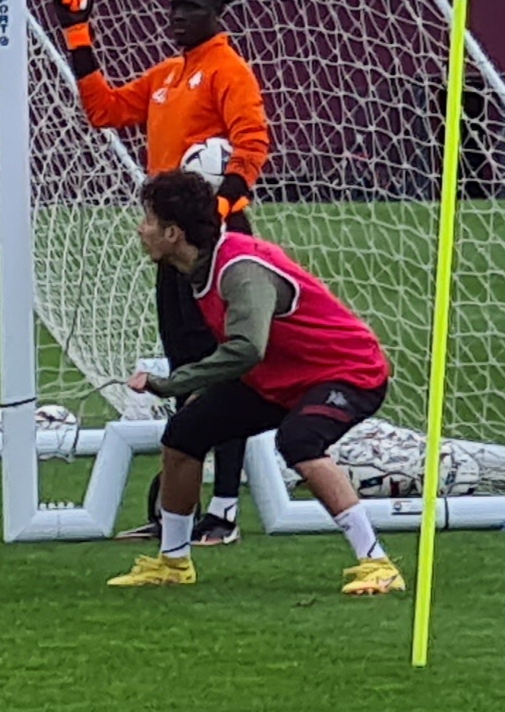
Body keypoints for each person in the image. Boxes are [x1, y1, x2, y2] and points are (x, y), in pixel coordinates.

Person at [108, 169, 402, 596]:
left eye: (149, 220)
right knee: (184, 435)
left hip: (348, 371)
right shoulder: (197, 267)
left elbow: (247, 348)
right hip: (278, 378)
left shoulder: (240, 269)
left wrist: (172, 383)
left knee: (299, 441)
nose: (141, 229)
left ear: (173, 233)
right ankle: (173, 562)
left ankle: (377, 563)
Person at [58, 0, 271, 546]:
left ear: (215, 12)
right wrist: (78, 33)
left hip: (214, 241)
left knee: (223, 371)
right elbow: (103, 110)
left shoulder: (228, 70)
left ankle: (224, 510)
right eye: (173, 5)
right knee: (183, 371)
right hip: (172, 243)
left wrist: (215, 213)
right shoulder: (167, 75)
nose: (176, 16)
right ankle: (177, 510)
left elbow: (252, 143)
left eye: (189, 7)